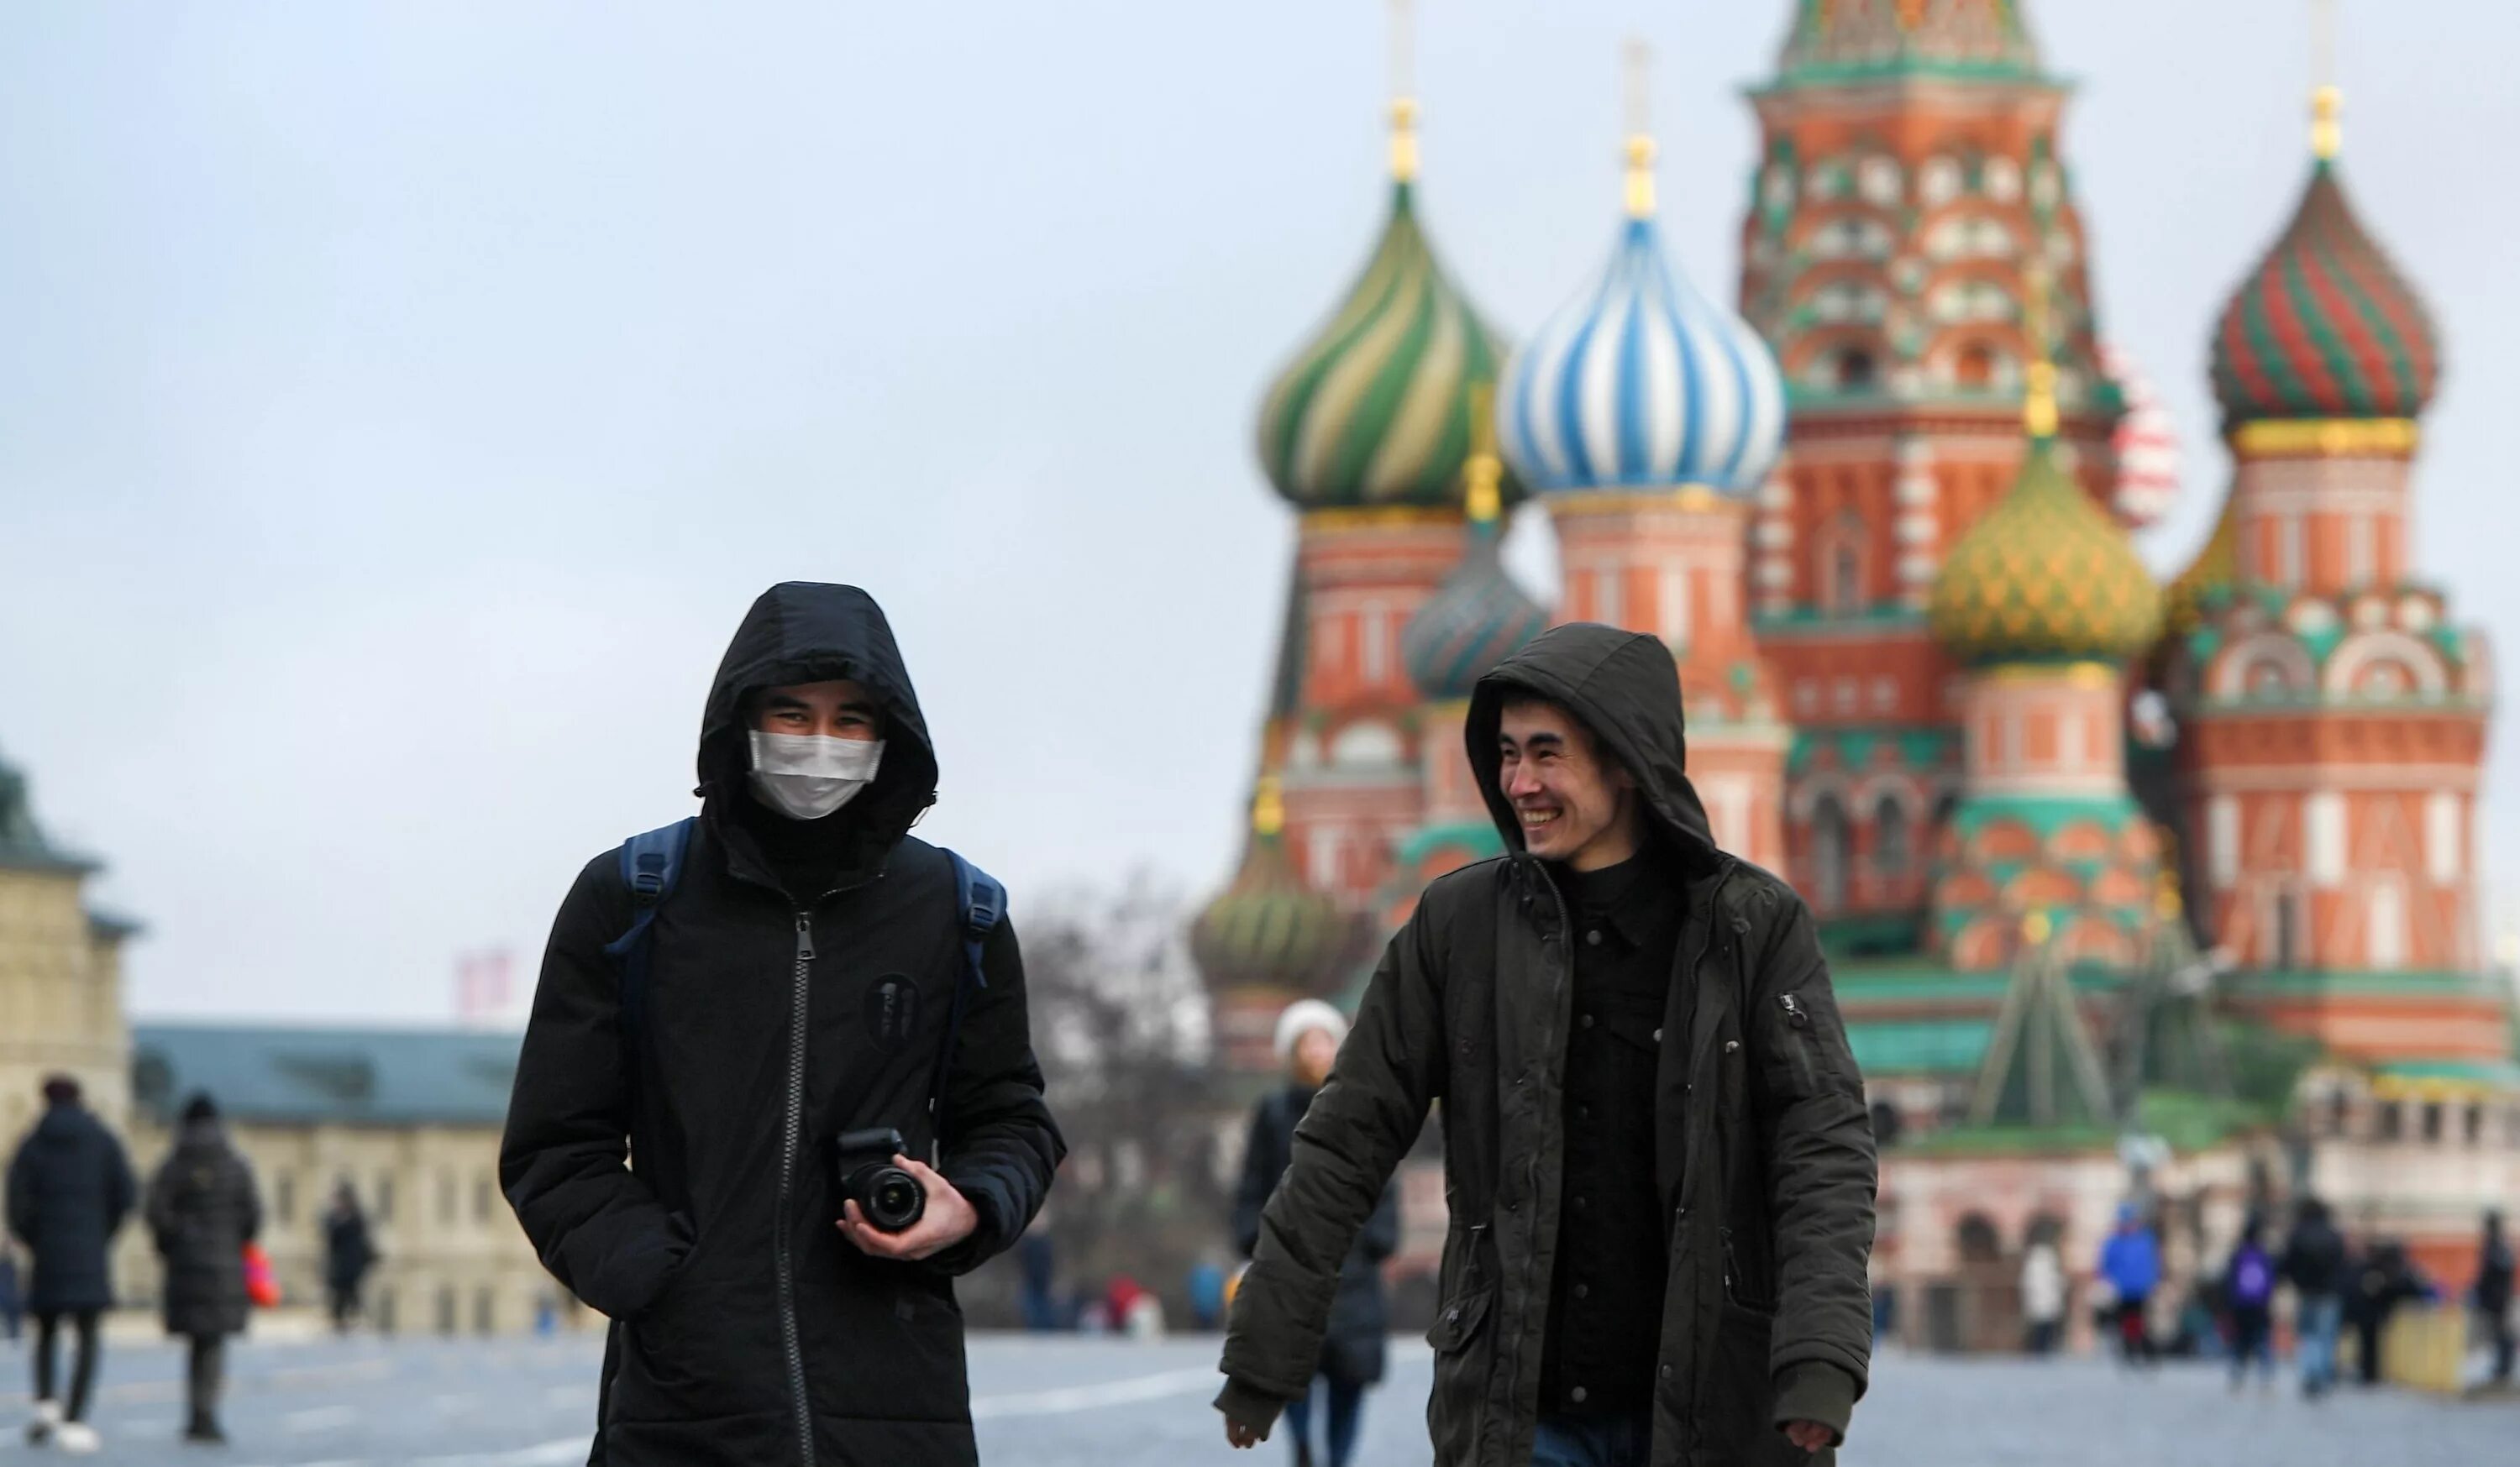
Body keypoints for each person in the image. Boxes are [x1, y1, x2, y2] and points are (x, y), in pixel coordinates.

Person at [1218, 624, 1877, 1466]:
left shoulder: (1752, 927)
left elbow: (1822, 1146)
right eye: (1505, 754)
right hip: (1520, 1413)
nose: (1518, 782)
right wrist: (1266, 1351)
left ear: (1625, 761)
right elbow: (1345, 1136)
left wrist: (1820, 1358)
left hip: (1714, 1404)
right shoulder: (1458, 929)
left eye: (1545, 754)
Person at [501, 581, 1065, 1467]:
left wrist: (969, 1204)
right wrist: (663, 1279)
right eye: (792, 714)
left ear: (890, 737)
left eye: (850, 721)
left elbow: (1010, 1117)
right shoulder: (632, 899)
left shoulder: (958, 911)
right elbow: (553, 1146)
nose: (819, 745)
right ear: (742, 719)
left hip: (897, 1406)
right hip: (684, 1412)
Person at [1232, 999, 1402, 1467]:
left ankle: (1339, 1459)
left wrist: (1377, 1240)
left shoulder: (1362, 1106)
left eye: (1325, 1040)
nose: (1317, 1050)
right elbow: (1253, 1180)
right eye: (1307, 1041)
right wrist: (1252, 1236)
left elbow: (1383, 1178)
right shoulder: (1272, 1112)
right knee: (1290, 1367)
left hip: (1353, 1264)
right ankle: (1304, 1449)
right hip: (1290, 1261)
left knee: (1350, 1376)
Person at [3, 1075, 135, 1455]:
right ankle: (76, 1418)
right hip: (90, 1252)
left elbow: (16, 1203)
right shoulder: (104, 1141)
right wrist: (101, 1233)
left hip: (48, 1254)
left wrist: (35, 1240)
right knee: (88, 1336)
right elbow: (126, 1194)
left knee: (45, 1331)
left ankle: (46, 1401)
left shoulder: (31, 1144)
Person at [145, 1093, 263, 1444]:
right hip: (225, 1263)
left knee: (196, 1341)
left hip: (185, 1263)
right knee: (214, 1341)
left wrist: (174, 1244)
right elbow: (253, 1215)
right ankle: (208, 1410)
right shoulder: (235, 1163)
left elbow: (156, 1211)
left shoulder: (174, 1163)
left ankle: (196, 1412)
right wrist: (232, 1242)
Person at [2279, 1197, 2347, 1399]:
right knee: (2326, 1336)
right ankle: (2323, 1376)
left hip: (2307, 1293)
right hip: (2331, 1294)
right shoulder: (2334, 1236)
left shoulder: (2298, 1235)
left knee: (2308, 1335)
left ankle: (2310, 1374)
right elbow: (2343, 1266)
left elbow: (2288, 1263)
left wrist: (2295, 1281)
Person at [2097, 1204, 2160, 1368]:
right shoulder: (2115, 1241)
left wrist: (2154, 1281)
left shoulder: (2145, 1239)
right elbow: (2105, 1264)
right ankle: (2131, 1351)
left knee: (2137, 1321)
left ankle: (2145, 1352)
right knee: (2125, 1322)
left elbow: (2154, 1263)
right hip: (2121, 1289)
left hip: (2141, 1289)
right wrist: (2105, 1279)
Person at [2221, 1217, 2277, 1392]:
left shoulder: (2238, 1255)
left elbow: (2229, 1281)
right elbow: (2270, 1281)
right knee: (2261, 1343)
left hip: (2241, 1306)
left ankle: (2237, 1378)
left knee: (2240, 1343)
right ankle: (2266, 1379)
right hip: (2260, 1306)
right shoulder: (2264, 1256)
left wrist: (2230, 1303)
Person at [322, 1181, 377, 1333]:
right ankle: (340, 1322)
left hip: (353, 1265)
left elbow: (363, 1239)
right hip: (339, 1266)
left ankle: (354, 1319)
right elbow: (331, 1238)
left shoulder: (356, 1217)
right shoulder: (334, 1218)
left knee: (353, 1294)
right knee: (340, 1296)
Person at [2473, 1210, 2513, 1390]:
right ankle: (2501, 1367)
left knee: (2502, 1333)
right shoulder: (2495, 1245)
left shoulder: (2497, 1245)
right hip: (2496, 1296)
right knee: (2498, 1333)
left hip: (2498, 1298)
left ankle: (2504, 1369)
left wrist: (2482, 1289)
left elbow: (2495, 1272)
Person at [2019, 1236, 2066, 1356]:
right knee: (2042, 1330)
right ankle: (2040, 1350)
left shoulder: (2034, 1267)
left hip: (2044, 1304)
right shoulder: (2039, 1267)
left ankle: (2041, 1349)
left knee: (2043, 1329)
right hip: (2043, 1304)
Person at [0, 1241, 22, 1344]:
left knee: (13, 1319)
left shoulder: (9, 1265)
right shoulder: (8, 1266)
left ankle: (14, 1337)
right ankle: (14, 1337)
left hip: (9, 1297)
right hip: (8, 1297)